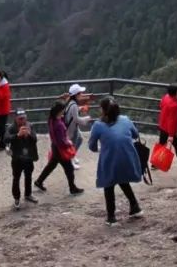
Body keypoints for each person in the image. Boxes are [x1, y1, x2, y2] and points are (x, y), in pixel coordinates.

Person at [88, 97, 143, 225]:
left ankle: (111, 217)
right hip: (128, 159)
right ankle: (135, 207)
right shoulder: (125, 119)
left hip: (110, 160)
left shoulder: (98, 125)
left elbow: (91, 146)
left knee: (109, 184)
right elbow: (135, 134)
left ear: (103, 110)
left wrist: (99, 148)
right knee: (122, 179)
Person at [34, 101, 84, 195]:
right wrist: (69, 143)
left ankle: (39, 181)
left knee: (51, 165)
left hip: (55, 147)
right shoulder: (59, 124)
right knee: (69, 169)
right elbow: (62, 141)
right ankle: (72, 188)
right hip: (61, 150)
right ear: (60, 111)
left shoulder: (51, 120)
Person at [6, 110, 40, 209]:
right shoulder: (11, 128)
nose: (22, 120)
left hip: (28, 157)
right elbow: (6, 139)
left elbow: (35, 139)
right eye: (20, 118)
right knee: (16, 178)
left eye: (24, 118)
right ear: (15, 118)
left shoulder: (30, 125)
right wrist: (17, 135)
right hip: (17, 158)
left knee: (28, 176)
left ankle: (28, 194)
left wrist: (28, 134)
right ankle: (16, 198)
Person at [63, 83, 92, 169]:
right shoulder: (74, 105)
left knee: (79, 139)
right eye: (80, 93)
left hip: (71, 127)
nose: (82, 95)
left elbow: (72, 112)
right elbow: (77, 119)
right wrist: (87, 118)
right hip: (71, 129)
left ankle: (73, 155)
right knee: (72, 144)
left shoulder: (70, 102)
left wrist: (80, 108)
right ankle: (70, 162)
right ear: (76, 95)